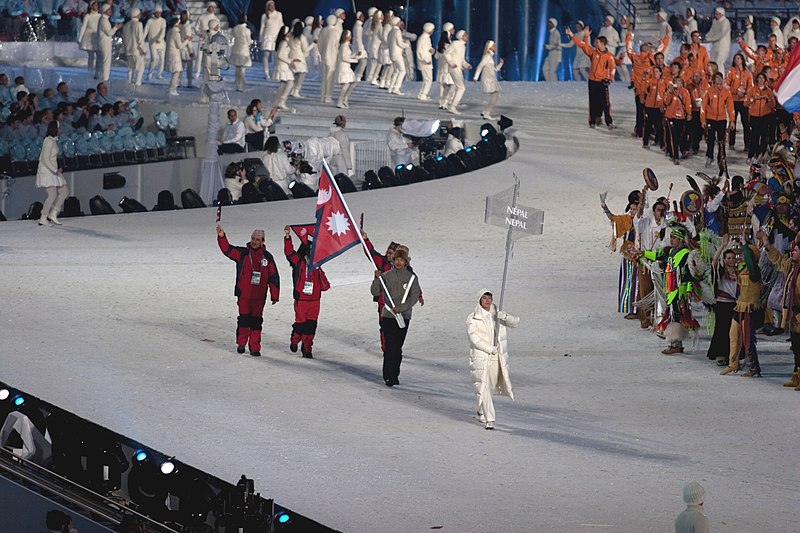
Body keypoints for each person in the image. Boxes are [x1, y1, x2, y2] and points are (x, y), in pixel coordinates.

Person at [216, 225, 280, 357]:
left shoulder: (267, 257)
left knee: (256, 322)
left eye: (257, 239)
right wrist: (222, 237)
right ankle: (241, 343)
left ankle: (255, 347)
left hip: (259, 296)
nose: (254, 241)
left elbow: (274, 276)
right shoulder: (243, 253)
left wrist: (275, 295)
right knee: (244, 320)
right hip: (244, 294)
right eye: (253, 238)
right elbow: (227, 249)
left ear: (263, 241)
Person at [467, 289, 518, 430]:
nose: (487, 300)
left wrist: (505, 316)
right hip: (482, 357)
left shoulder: (497, 314)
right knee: (483, 386)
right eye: (484, 298)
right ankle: (490, 419)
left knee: (490, 385)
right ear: (479, 300)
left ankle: (482, 410)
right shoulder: (473, 318)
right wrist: (489, 348)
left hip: (497, 357)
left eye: (489, 298)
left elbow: (516, 323)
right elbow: (474, 339)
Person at [370, 244, 421, 387]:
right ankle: (388, 375)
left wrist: (402, 308)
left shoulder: (411, 278)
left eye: (401, 260)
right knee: (390, 346)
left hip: (403, 317)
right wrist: (376, 279)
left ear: (406, 262)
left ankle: (394, 374)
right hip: (388, 315)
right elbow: (375, 292)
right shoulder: (385, 276)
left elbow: (414, 296)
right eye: (396, 259)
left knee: (397, 347)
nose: (398, 262)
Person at [283, 225, 330, 358]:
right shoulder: (298, 262)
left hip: (315, 300)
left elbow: (325, 286)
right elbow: (289, 253)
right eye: (309, 249)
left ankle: (307, 348)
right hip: (302, 300)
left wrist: (320, 270)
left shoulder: (317, 266)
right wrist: (287, 237)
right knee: (300, 324)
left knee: (311, 327)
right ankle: (295, 340)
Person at [566, 25, 616, 129]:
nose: (595, 43)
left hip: (603, 82)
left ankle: (609, 122)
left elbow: (612, 68)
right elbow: (583, 45)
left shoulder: (609, 56)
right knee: (593, 102)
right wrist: (574, 35)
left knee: (605, 103)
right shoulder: (593, 52)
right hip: (592, 81)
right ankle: (592, 121)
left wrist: (610, 79)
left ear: (602, 44)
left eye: (597, 42)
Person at [36, 121, 68, 226]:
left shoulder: (52, 140)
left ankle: (53, 213)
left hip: (53, 170)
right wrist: (55, 170)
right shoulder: (48, 141)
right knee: (52, 194)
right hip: (47, 171)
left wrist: (56, 169)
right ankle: (43, 217)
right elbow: (45, 159)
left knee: (64, 192)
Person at [700, 71, 734, 168]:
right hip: (710, 118)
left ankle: (721, 158)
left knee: (721, 140)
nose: (720, 85)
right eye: (717, 83)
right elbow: (703, 107)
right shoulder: (708, 91)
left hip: (722, 119)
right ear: (713, 82)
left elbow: (730, 107)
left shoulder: (726, 92)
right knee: (710, 139)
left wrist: (732, 120)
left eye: (721, 82)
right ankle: (709, 156)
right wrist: (703, 120)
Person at [473, 40, 503, 120]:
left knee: (495, 94)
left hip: (490, 78)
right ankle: (487, 113)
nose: (495, 47)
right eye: (494, 46)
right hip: (488, 79)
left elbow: (495, 69)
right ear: (490, 47)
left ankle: (485, 111)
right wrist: (475, 77)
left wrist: (500, 64)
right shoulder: (487, 56)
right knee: (495, 94)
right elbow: (480, 66)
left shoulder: (489, 56)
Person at [444, 29, 471, 115]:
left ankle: (448, 103)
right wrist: (452, 63)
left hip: (458, 68)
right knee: (461, 87)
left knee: (456, 86)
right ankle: (452, 107)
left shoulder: (463, 46)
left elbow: (462, 59)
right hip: (454, 68)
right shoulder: (455, 43)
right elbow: (446, 53)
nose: (467, 36)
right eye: (465, 35)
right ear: (462, 36)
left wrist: (466, 65)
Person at [95, 3, 122, 82]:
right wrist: (116, 27)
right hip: (104, 43)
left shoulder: (104, 19)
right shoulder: (104, 20)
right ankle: (105, 78)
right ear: (104, 11)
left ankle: (100, 76)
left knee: (102, 60)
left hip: (103, 42)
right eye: (108, 10)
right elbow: (109, 33)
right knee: (106, 61)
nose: (110, 11)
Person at [272, 27, 295, 110]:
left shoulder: (283, 42)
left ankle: (278, 101)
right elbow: (280, 55)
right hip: (283, 65)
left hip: (283, 64)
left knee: (283, 84)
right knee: (290, 83)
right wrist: (289, 61)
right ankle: (282, 101)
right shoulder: (284, 43)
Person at [259, 0, 283, 79]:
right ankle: (266, 73)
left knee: (276, 56)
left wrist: (282, 36)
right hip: (267, 37)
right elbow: (262, 28)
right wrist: (260, 39)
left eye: (273, 5)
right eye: (271, 5)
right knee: (266, 56)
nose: (272, 7)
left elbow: (281, 25)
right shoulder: (264, 16)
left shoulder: (279, 14)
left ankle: (275, 72)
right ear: (268, 6)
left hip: (276, 37)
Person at [122, 8, 146, 86]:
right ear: (137, 14)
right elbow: (140, 39)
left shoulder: (126, 24)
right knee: (141, 67)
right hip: (136, 50)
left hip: (128, 50)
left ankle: (129, 83)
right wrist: (143, 49)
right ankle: (137, 84)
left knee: (130, 68)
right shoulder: (139, 24)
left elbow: (124, 38)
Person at [229, 15, 252, 92]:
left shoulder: (235, 28)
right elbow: (249, 41)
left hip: (236, 49)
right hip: (243, 51)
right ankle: (241, 86)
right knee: (242, 69)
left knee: (237, 69)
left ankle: (237, 85)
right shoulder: (247, 30)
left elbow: (231, 38)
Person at [77, 1, 100, 77]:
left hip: (97, 36)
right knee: (91, 55)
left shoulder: (100, 16)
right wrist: (80, 38)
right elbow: (83, 27)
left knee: (99, 55)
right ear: (91, 6)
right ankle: (90, 71)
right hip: (89, 37)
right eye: (95, 5)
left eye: (97, 5)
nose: (96, 6)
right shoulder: (88, 16)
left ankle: (97, 72)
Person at [144, 4, 166, 80]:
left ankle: (159, 74)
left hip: (161, 43)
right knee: (154, 59)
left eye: (160, 12)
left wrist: (159, 39)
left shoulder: (163, 20)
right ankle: (150, 74)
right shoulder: (150, 21)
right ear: (154, 12)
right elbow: (146, 31)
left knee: (162, 60)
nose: (158, 14)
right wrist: (142, 39)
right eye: (157, 12)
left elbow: (163, 30)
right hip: (152, 42)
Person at [288, 20, 309, 98]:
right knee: (301, 76)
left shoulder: (290, 36)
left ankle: (292, 90)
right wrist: (305, 55)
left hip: (291, 57)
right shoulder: (301, 37)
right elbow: (305, 48)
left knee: (293, 76)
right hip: (300, 58)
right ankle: (296, 91)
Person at [165, 17, 185, 96]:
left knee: (176, 72)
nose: (181, 25)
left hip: (170, 54)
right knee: (176, 72)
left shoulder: (170, 31)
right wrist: (187, 41)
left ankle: (172, 88)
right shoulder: (176, 33)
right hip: (174, 55)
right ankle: (172, 89)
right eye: (179, 23)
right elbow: (179, 46)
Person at [415, 22, 435, 100]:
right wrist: (425, 59)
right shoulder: (423, 38)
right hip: (425, 62)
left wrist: (431, 50)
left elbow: (427, 49)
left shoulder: (426, 38)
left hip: (426, 61)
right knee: (428, 79)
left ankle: (422, 94)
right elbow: (420, 51)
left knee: (426, 79)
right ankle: (423, 94)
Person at [542, 17, 562, 82]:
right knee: (545, 68)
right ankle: (549, 82)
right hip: (551, 53)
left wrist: (547, 46)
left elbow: (556, 44)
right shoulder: (552, 33)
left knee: (552, 71)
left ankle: (554, 85)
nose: (548, 24)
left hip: (555, 53)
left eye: (550, 23)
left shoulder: (556, 33)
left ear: (554, 24)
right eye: (548, 23)